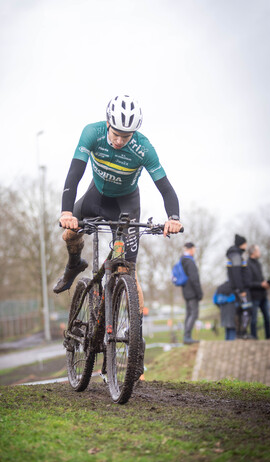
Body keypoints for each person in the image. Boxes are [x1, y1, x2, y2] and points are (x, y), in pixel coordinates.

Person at [53, 94, 183, 379]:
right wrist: (66, 211)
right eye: (115, 133)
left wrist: (173, 218)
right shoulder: (92, 133)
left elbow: (166, 188)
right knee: (68, 233)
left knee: (128, 272)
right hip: (94, 198)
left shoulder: (143, 148)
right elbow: (74, 174)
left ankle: (135, 349)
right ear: (108, 123)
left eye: (126, 136)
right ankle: (75, 263)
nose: (119, 140)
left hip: (126, 205)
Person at [226, 234, 252, 339]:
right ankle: (242, 333)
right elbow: (236, 274)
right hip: (241, 289)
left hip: (238, 288)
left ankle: (240, 333)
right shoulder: (236, 255)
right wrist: (241, 289)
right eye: (245, 243)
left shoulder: (234, 254)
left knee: (240, 310)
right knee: (247, 310)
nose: (246, 245)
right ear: (241, 244)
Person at [180, 242, 203, 345]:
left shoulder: (182, 261)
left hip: (186, 292)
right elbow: (194, 279)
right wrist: (199, 293)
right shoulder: (190, 262)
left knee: (189, 314)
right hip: (192, 292)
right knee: (194, 314)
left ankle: (186, 336)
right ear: (191, 249)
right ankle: (187, 336)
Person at [248, 244, 270, 339]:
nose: (260, 252)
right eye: (258, 250)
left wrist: (266, 284)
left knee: (267, 318)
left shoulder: (259, 264)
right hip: (254, 296)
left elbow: (261, 278)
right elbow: (248, 283)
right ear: (253, 252)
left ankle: (268, 337)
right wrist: (260, 284)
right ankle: (254, 337)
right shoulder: (248, 264)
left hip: (263, 295)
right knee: (253, 319)